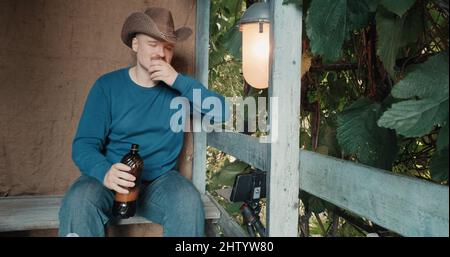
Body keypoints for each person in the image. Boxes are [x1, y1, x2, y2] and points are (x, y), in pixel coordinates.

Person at [58, 7, 229, 237]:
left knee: (188, 202)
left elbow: (223, 112)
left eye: (168, 47)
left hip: (159, 183)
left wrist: (177, 80)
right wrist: (105, 172)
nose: (161, 53)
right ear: (136, 44)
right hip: (110, 178)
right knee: (78, 201)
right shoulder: (106, 87)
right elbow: (83, 145)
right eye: (153, 44)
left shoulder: (180, 87)